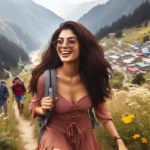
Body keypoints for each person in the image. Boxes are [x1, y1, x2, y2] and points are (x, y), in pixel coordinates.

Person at [29, 21, 128, 150]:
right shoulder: (46, 78)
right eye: (60, 41)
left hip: (86, 139)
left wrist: (119, 141)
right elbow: (33, 108)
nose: (64, 46)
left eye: (71, 41)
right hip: (55, 135)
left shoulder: (92, 79)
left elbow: (103, 114)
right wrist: (42, 109)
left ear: (83, 47)